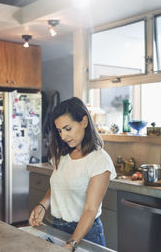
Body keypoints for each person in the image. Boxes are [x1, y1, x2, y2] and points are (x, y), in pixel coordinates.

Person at [28, 97, 116, 251]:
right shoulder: (62, 154)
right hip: (57, 227)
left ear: (84, 121)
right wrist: (43, 205)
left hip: (85, 234)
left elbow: (90, 209)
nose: (63, 136)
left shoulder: (99, 160)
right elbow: (59, 185)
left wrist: (71, 243)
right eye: (59, 130)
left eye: (68, 129)